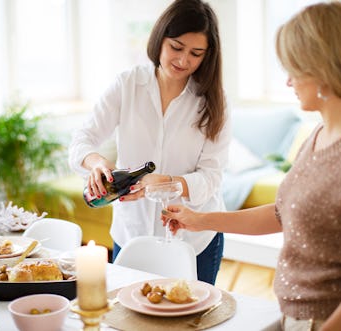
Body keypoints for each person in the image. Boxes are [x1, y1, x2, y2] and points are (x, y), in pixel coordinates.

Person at [162, 2, 341, 330]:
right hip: (295, 316)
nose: (288, 82)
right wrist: (199, 220)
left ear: (324, 68)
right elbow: (284, 213)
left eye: (294, 69)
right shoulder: (318, 137)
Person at [68, 0, 230, 285]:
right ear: (160, 40)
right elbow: (82, 139)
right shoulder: (127, 85)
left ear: (208, 55)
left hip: (194, 240)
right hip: (132, 234)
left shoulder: (213, 102)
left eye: (196, 53)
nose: (183, 61)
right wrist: (96, 163)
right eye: (176, 48)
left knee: (191, 324)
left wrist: (165, 183)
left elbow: (212, 177)